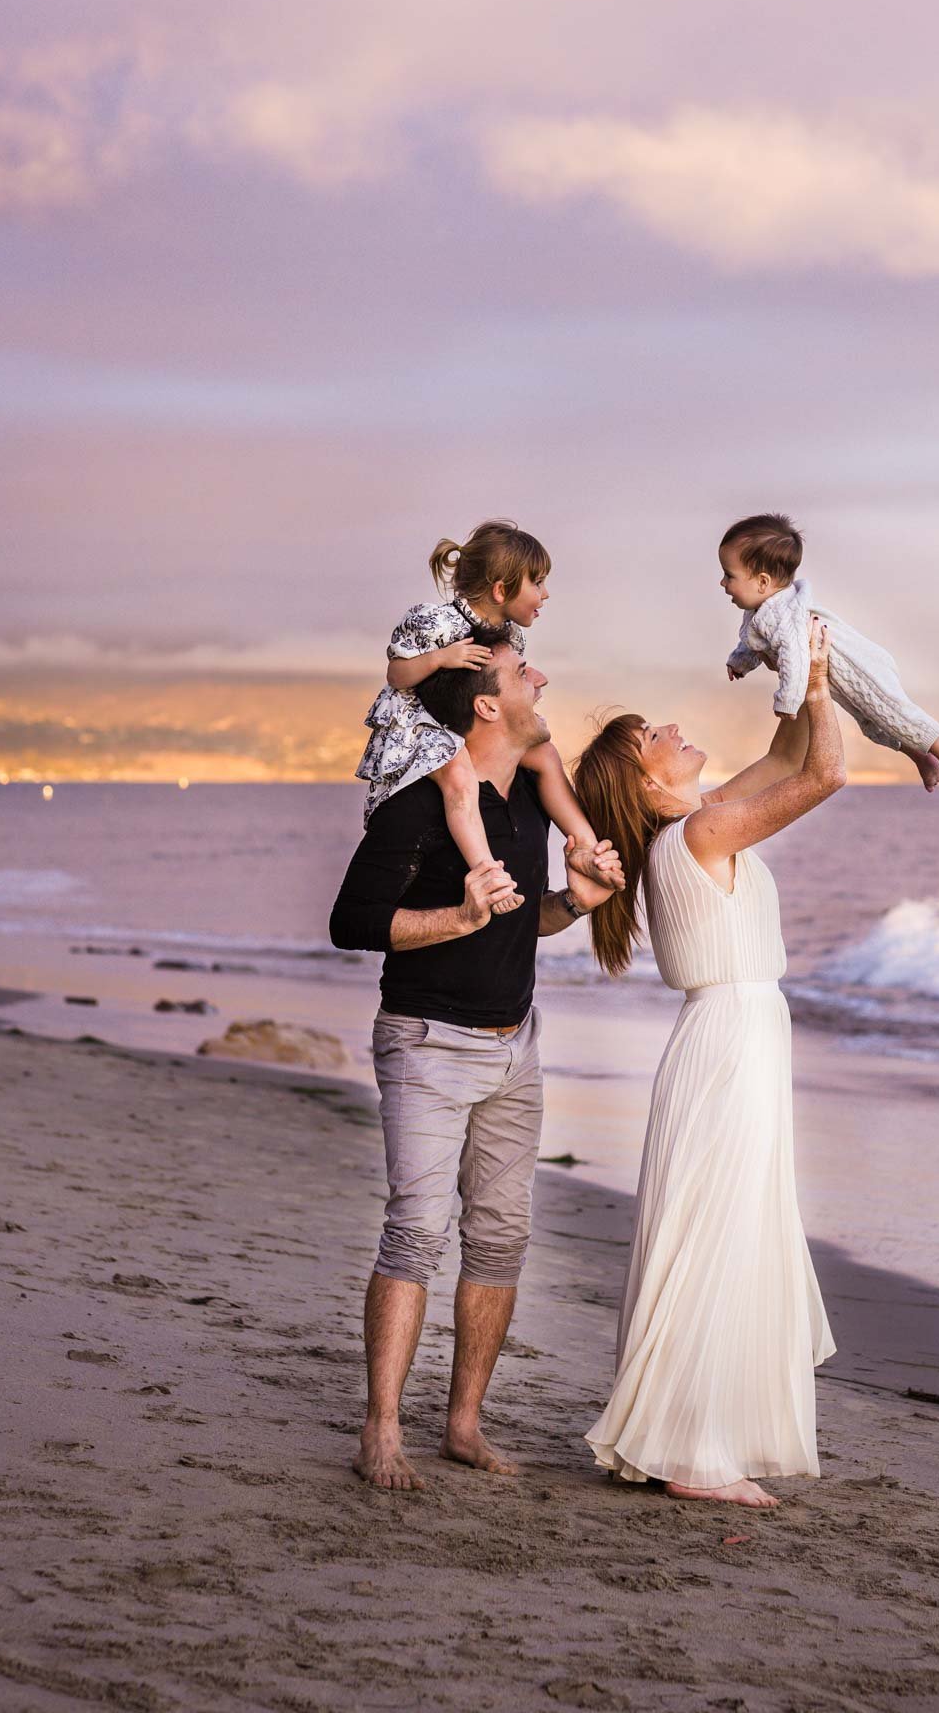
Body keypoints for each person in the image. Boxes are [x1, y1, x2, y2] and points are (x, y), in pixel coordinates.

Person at [330, 621, 624, 1491]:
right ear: (488, 703)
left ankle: (463, 1425)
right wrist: (456, 917)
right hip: (425, 1044)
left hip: (515, 1046)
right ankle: (382, 1428)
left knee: (500, 1241)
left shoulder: (531, 801)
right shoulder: (420, 800)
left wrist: (573, 904)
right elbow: (351, 925)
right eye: (523, 670)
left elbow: (519, 916)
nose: (543, 676)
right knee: (416, 1234)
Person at [572, 615, 843, 1508]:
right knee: (718, 1236)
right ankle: (691, 1453)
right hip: (729, 1043)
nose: (672, 730)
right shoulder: (697, 836)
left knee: (725, 1233)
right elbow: (825, 773)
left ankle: (691, 1436)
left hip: (737, 1038)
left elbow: (785, 751)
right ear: (647, 782)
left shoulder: (698, 824)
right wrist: (817, 689)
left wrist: (800, 662)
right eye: (655, 737)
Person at [356, 517, 600, 912]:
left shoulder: (509, 635)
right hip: (424, 728)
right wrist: (440, 658)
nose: (546, 593)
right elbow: (396, 674)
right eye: (537, 583)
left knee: (546, 755)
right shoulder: (436, 621)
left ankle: (585, 842)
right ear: (501, 589)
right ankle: (487, 870)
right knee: (458, 777)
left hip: (469, 726)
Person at [721, 510, 939, 795]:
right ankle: (923, 758)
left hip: (858, 667)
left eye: (729, 576)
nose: (723, 583)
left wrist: (787, 700)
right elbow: (755, 641)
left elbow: (796, 657)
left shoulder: (783, 615)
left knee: (893, 712)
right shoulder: (760, 611)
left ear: (762, 582)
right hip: (838, 680)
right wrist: (740, 662)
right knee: (874, 723)